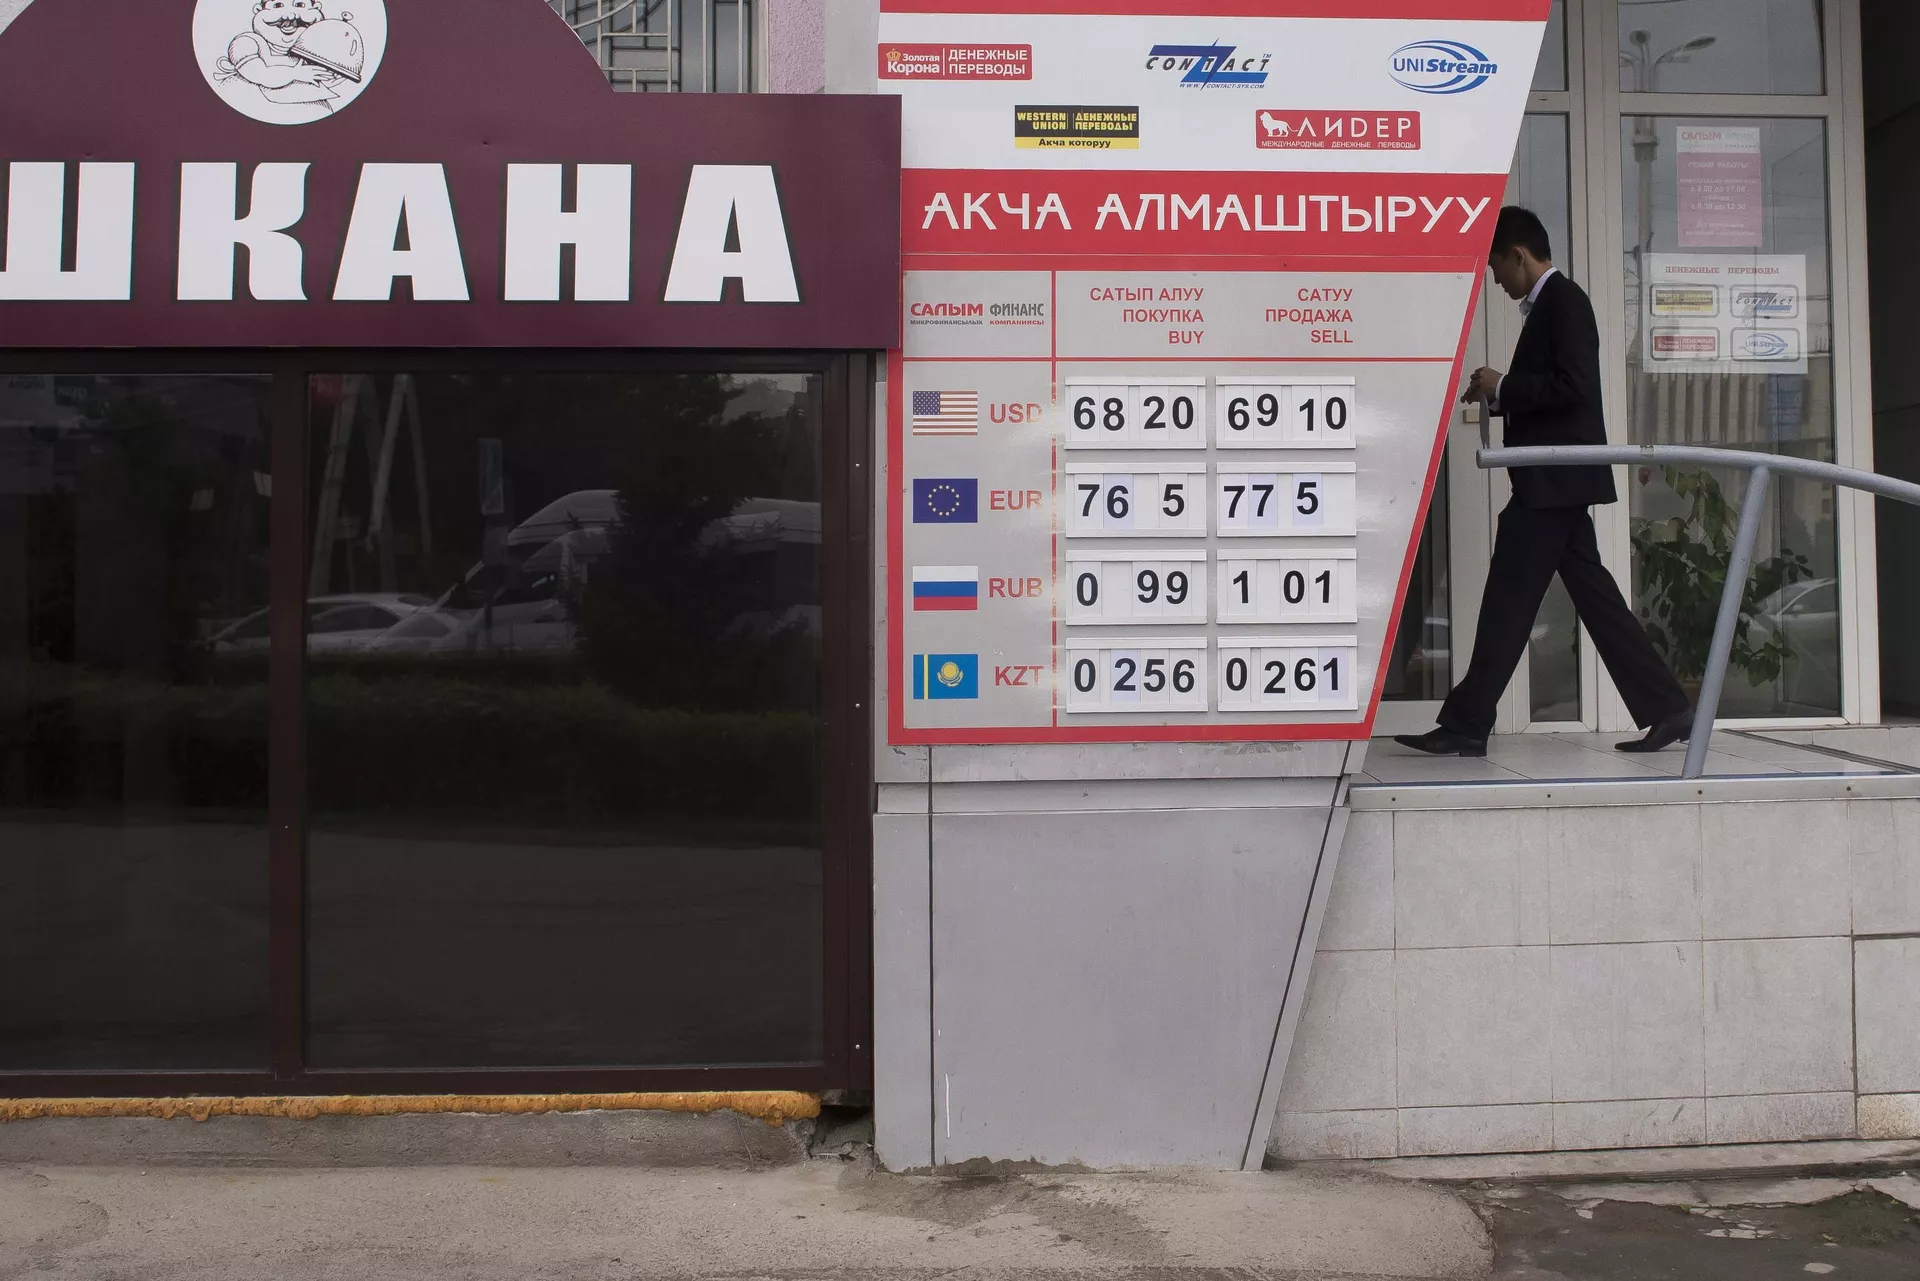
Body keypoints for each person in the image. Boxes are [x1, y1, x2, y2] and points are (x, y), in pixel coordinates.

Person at [1396, 206, 1691, 757]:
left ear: (1518, 255)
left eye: (1495, 268)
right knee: (1586, 599)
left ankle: (1467, 723)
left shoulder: (1565, 302)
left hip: (1552, 485)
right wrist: (1498, 395)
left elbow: (1573, 387)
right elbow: (1556, 391)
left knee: (1508, 601)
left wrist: (1504, 385)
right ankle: (1668, 708)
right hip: (1555, 485)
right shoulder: (1554, 305)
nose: (1496, 280)